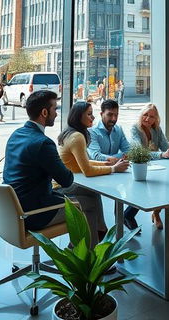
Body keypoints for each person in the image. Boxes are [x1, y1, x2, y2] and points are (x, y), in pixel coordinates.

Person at [57, 101, 129, 247]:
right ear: (79, 117)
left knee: (92, 193)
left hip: (68, 181)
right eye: (89, 114)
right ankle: (95, 238)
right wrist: (114, 168)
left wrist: (107, 164)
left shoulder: (71, 133)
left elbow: (85, 163)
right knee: (92, 194)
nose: (93, 118)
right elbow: (88, 171)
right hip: (63, 187)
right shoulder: (77, 137)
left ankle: (94, 233)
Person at [3, 90, 75, 230]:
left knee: (87, 196)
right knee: (86, 204)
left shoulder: (16, 134)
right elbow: (66, 180)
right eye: (54, 108)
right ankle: (83, 251)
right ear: (44, 113)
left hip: (12, 207)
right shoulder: (43, 143)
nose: (56, 113)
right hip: (33, 213)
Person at [125, 104, 169, 230]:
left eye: (151, 116)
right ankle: (129, 215)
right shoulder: (135, 129)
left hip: (156, 165)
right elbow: (140, 153)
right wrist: (162, 154)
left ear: (155, 119)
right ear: (141, 114)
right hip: (139, 165)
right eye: (145, 115)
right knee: (157, 185)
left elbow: (165, 147)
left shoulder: (156, 129)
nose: (147, 119)